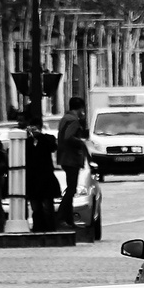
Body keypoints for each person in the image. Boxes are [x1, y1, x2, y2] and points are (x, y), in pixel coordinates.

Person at [24, 104, 60, 233]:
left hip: (45, 179)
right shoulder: (27, 142)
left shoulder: (47, 139)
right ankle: (38, 228)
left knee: (48, 207)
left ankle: (50, 228)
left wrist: (39, 136)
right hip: (33, 180)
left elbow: (52, 147)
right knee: (36, 207)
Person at [56, 96, 89, 228]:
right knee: (71, 190)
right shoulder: (73, 121)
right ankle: (61, 217)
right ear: (80, 109)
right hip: (72, 159)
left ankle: (69, 220)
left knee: (71, 188)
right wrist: (81, 142)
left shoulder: (64, 119)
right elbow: (69, 137)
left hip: (64, 158)